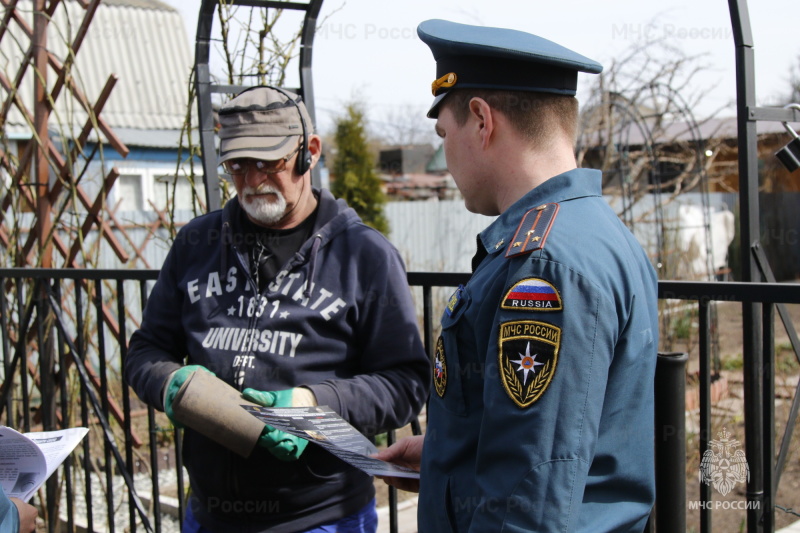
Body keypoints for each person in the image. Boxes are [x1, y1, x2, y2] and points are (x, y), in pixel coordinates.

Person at [376, 19, 659, 532]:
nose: (446, 160)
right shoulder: (591, 233)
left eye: (445, 135)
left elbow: (530, 500)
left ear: (482, 120)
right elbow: (553, 441)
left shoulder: (544, 265)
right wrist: (446, 457)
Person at [125, 86, 430, 533]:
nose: (251, 180)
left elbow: (404, 383)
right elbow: (146, 350)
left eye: (268, 163)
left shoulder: (363, 255)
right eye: (237, 165)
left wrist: (314, 404)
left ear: (309, 152)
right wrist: (171, 383)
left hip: (322, 516)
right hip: (208, 515)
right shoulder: (197, 244)